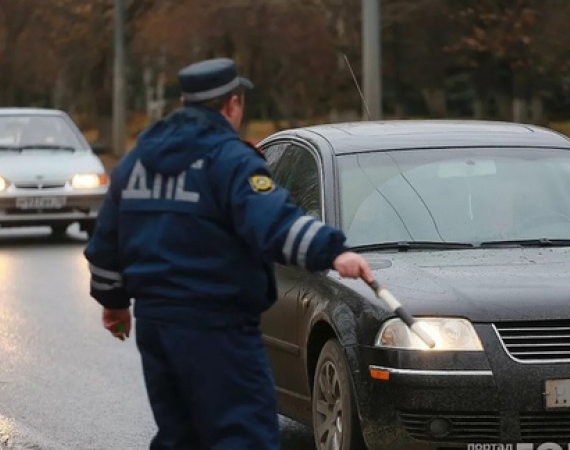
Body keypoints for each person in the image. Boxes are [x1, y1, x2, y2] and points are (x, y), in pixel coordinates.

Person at [83, 57, 374, 450]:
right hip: (218, 327)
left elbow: (105, 246)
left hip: (156, 324)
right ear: (232, 104)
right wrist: (333, 251)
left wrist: (114, 304)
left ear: (186, 104)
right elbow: (273, 221)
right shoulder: (232, 161)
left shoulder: (136, 163)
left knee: (179, 434)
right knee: (244, 434)